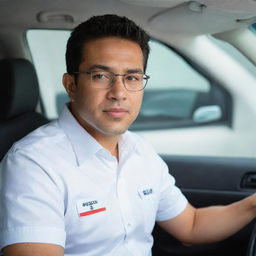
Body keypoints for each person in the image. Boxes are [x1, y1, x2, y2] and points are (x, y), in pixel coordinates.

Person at [0, 14, 255, 256]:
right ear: (71, 85)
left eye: (132, 77)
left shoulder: (139, 150)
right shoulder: (33, 163)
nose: (119, 92)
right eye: (101, 76)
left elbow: (191, 225)